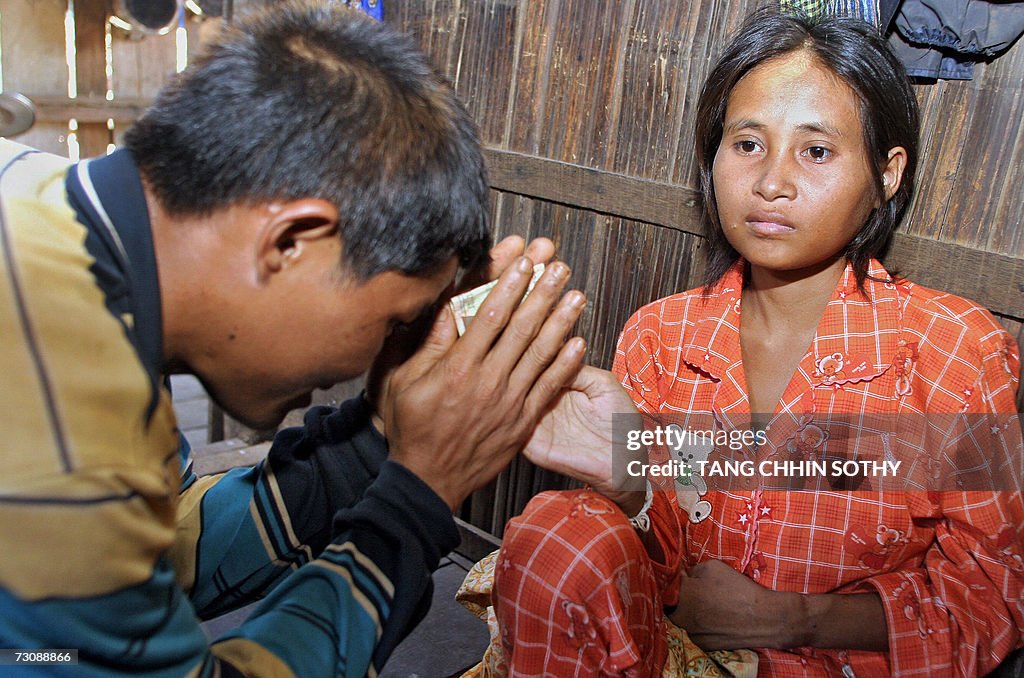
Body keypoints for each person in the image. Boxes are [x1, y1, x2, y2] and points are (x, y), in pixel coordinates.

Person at [0, 2, 636, 675]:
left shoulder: (69, 242)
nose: (377, 356)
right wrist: (416, 495)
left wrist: (378, 438)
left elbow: (159, 545)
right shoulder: (61, 407)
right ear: (293, 242)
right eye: (395, 322)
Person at [484, 12, 1024, 677]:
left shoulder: (954, 351)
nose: (771, 181)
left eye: (816, 151)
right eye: (746, 144)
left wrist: (791, 617)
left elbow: (990, 594)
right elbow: (649, 556)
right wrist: (630, 493)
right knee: (556, 533)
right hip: (663, 655)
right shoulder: (661, 335)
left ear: (887, 175)